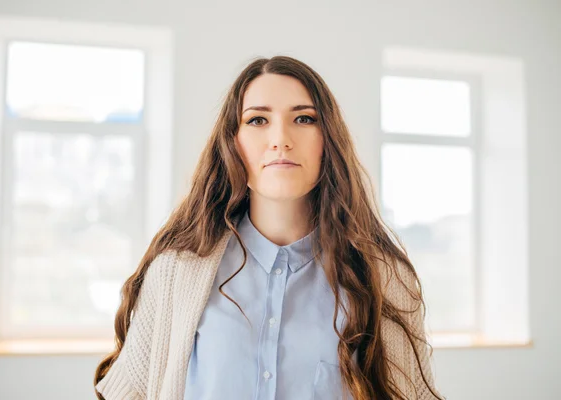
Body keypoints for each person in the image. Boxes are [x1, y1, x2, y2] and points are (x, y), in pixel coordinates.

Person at [94, 55, 445, 400]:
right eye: (258, 120)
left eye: (304, 118)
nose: (280, 139)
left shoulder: (384, 278)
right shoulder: (175, 271)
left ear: (329, 140)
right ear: (233, 142)